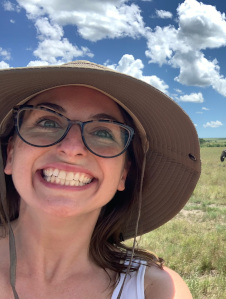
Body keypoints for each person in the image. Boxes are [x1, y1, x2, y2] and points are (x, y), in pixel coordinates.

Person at [0, 61, 201, 298]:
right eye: (48, 122)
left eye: (103, 132)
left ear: (123, 173)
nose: (72, 148)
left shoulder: (156, 290)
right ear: (11, 154)